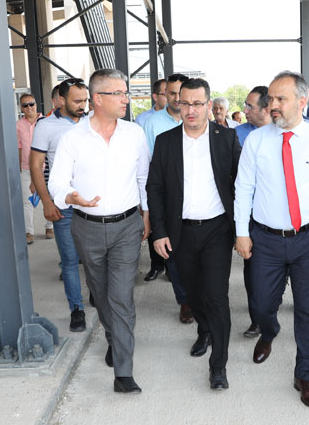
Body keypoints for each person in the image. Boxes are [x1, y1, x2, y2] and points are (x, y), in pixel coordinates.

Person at [235, 70, 309, 408]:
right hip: (265, 240)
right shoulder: (257, 140)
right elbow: (244, 189)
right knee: (260, 304)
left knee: (308, 310)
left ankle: (305, 374)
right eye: (270, 99)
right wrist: (241, 232)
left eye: (280, 99)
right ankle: (269, 331)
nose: (273, 105)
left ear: (302, 102)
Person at [48, 68, 150, 394]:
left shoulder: (134, 134)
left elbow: (143, 179)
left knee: (121, 297)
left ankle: (123, 372)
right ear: (98, 99)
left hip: (127, 227)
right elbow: (57, 181)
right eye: (118, 93)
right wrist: (70, 196)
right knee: (101, 293)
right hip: (87, 227)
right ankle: (113, 335)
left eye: (125, 93)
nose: (126, 99)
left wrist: (147, 215)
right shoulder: (72, 138)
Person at [147, 78, 241, 389]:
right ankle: (204, 329)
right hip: (181, 232)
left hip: (217, 230)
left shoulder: (226, 139)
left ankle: (219, 365)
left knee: (216, 295)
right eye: (185, 103)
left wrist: (243, 229)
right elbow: (155, 188)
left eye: (197, 104)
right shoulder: (166, 142)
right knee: (193, 293)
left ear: (209, 105)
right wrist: (159, 232)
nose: (190, 110)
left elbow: (243, 185)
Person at [31, 78, 90, 332]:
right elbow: (36, 165)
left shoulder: (92, 121)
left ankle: (96, 293)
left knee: (94, 258)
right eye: (77, 101)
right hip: (64, 205)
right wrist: (46, 202)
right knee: (69, 260)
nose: (83, 105)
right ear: (61, 100)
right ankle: (76, 309)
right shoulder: (46, 126)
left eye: (85, 100)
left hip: (92, 205)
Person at [143, 73, 193, 323]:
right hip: (168, 200)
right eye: (171, 93)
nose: (175, 98)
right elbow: (147, 168)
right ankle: (184, 301)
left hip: (198, 200)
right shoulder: (152, 124)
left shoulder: (199, 121)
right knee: (174, 255)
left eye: (180, 93)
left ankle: (201, 297)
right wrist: (148, 209)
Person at [234, 85, 271, 339]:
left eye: (250, 106)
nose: (245, 110)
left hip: (279, 219)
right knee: (253, 272)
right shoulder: (237, 135)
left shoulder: (282, 134)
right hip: (251, 216)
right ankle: (257, 321)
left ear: (266, 109)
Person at [16, 93, 52, 244]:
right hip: (26, 168)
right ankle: (28, 232)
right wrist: (19, 166)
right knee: (27, 201)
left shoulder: (46, 122)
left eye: (31, 104)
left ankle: (50, 227)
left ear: (36, 104)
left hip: (46, 167)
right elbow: (19, 147)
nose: (29, 107)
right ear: (21, 108)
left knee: (48, 197)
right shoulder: (18, 125)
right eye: (25, 105)